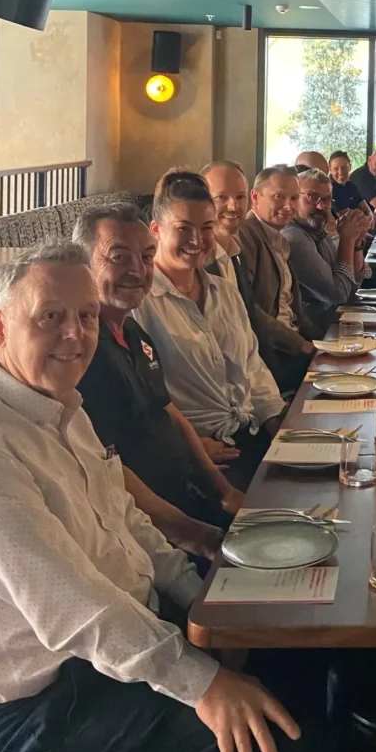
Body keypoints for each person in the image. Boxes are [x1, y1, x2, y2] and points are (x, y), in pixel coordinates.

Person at [0, 241, 327, 752]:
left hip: (113, 654)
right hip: (45, 710)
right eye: (51, 316)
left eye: (87, 316)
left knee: (295, 647)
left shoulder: (61, 405)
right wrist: (205, 683)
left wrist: (196, 582)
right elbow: (72, 608)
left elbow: (125, 523)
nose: (76, 334)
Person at [74, 205, 243, 552]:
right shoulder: (82, 354)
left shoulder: (133, 332)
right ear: (83, 263)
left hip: (189, 494)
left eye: (147, 256)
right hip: (149, 529)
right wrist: (193, 533)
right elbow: (108, 467)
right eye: (118, 257)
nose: (137, 269)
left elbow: (169, 410)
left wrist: (223, 489)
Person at [134, 170, 286, 491]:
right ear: (156, 231)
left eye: (206, 229)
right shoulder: (141, 303)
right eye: (183, 229)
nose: (196, 240)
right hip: (202, 455)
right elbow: (143, 397)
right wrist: (189, 445)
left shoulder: (223, 291)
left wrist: (279, 421)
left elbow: (252, 366)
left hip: (252, 436)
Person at [229, 164, 318, 394]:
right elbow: (249, 310)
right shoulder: (245, 236)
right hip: (273, 356)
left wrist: (324, 341)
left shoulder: (279, 239)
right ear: (255, 197)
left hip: (294, 346)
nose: (288, 206)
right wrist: (303, 346)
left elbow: (291, 306)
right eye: (279, 197)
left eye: (294, 198)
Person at [282, 168, 373, 333]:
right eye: (312, 197)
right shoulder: (293, 238)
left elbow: (353, 287)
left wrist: (356, 242)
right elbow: (338, 295)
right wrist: (346, 240)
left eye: (326, 199)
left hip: (335, 325)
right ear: (293, 199)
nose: (321, 206)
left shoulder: (316, 230)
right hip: (313, 336)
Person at [199, 159, 253, 310]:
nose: (233, 206)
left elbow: (250, 317)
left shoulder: (238, 254)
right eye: (221, 197)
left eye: (240, 197)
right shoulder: (195, 260)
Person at [329, 150, 373, 217]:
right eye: (336, 169)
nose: (340, 172)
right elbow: (346, 219)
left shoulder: (351, 186)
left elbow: (368, 212)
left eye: (344, 168)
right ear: (330, 170)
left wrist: (367, 217)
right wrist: (362, 214)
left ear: (350, 167)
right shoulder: (330, 190)